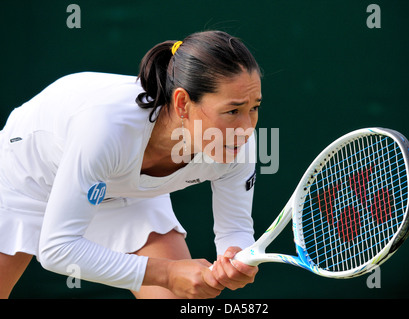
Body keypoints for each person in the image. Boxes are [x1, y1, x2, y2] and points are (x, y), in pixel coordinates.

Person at [0, 30, 262, 299]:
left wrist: (237, 258)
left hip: (125, 190)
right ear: (183, 103)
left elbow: (235, 230)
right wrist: (169, 274)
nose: (246, 128)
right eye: (232, 111)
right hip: (28, 174)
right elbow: (57, 250)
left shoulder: (238, 144)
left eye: (254, 108)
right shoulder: (106, 131)